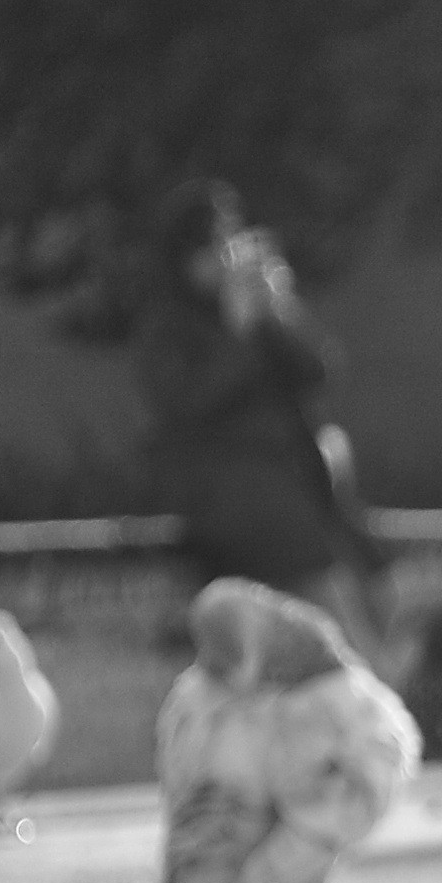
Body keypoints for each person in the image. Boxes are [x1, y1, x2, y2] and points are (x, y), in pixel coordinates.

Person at [133, 181, 383, 647]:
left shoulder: (257, 313)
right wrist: (238, 329)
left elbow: (317, 372)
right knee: (336, 631)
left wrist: (280, 310)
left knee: (354, 604)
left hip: (297, 494)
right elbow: (189, 405)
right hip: (230, 502)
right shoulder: (168, 328)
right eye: (214, 246)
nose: (227, 258)